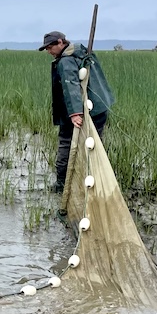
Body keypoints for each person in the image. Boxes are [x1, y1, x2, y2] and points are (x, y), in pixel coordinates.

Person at [39, 30, 115, 193]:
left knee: (66, 143)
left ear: (60, 43)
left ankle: (61, 184)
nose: (48, 52)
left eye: (50, 47)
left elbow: (70, 85)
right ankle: (96, 180)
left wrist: (74, 114)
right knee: (94, 146)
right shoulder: (84, 52)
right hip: (100, 108)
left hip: (84, 111)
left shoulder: (65, 62)